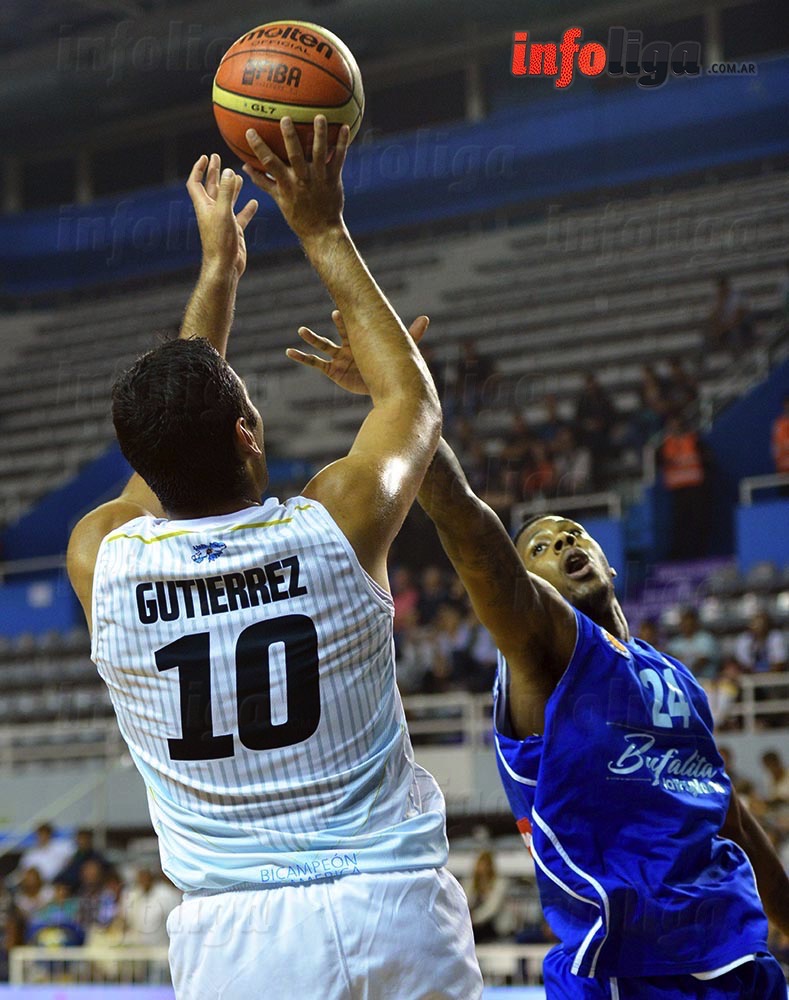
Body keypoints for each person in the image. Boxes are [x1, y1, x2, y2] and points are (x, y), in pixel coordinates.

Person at [65, 120, 481, 1000]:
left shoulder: (103, 556)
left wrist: (215, 275)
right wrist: (321, 226)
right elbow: (411, 397)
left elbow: (177, 438)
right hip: (393, 909)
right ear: (248, 432)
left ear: (141, 464)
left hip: (236, 940)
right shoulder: (336, 521)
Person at [285, 315, 789, 996]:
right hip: (628, 971)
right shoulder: (539, 659)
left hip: (738, 962)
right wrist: (394, 399)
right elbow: (464, 521)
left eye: (571, 535)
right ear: (525, 586)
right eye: (540, 550)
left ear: (605, 557)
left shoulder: (671, 676)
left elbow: (723, 808)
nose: (562, 546)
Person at [463, 850, 510, 943]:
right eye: (480, 864)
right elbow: (463, 901)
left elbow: (491, 909)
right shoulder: (470, 882)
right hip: (473, 923)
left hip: (493, 925)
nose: (482, 868)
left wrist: (473, 918)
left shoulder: (500, 883)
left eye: (485, 865)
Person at [667, 607, 721, 682]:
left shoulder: (706, 638)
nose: (687, 625)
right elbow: (671, 661)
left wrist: (683, 665)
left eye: (689, 622)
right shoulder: (675, 642)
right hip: (683, 681)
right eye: (684, 623)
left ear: (696, 623)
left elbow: (702, 663)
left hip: (705, 680)